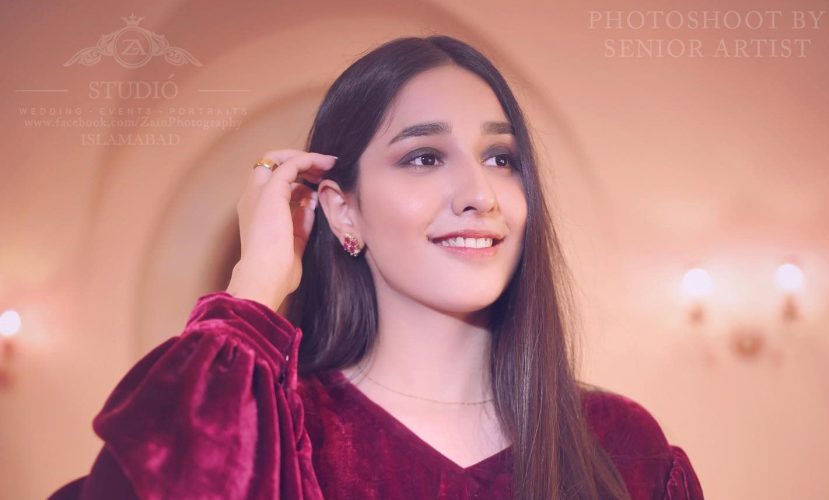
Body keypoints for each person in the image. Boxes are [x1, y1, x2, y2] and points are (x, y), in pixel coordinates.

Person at [49, 35, 703, 499]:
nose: (478, 193)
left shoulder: (623, 446)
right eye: (424, 157)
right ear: (343, 212)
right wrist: (252, 290)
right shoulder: (275, 436)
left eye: (500, 159)